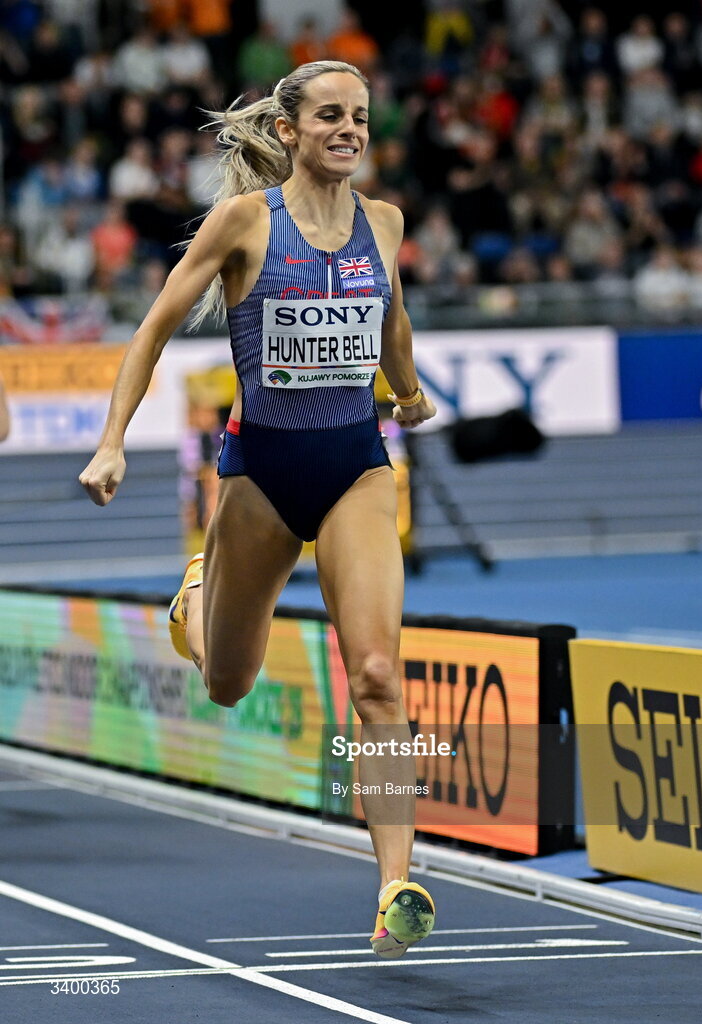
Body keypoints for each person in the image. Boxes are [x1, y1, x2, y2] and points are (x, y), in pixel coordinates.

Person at [79, 60, 438, 960]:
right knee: (227, 682)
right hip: (260, 477)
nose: (348, 129)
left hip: (356, 465)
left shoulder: (383, 223)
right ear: (288, 130)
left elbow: (388, 314)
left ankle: (395, 880)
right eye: (329, 116)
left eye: (358, 116)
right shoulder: (246, 222)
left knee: (378, 677)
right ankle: (193, 604)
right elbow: (152, 328)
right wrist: (112, 439)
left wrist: (407, 387)